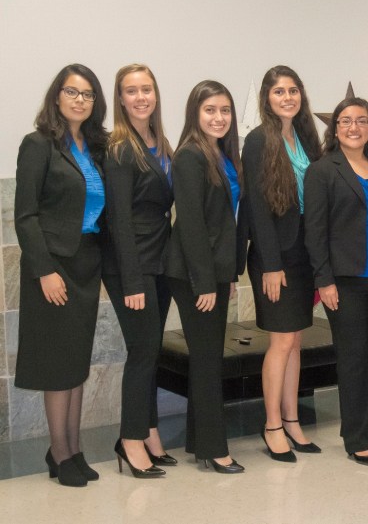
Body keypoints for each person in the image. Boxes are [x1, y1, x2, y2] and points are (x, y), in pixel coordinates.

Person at [14, 64, 108, 487]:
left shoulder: (94, 147)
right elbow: (26, 215)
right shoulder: (37, 145)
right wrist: (45, 270)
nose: (79, 100)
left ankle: (72, 448)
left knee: (76, 363)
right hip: (53, 268)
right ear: (57, 97)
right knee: (58, 364)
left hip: (87, 263)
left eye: (87, 94)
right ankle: (60, 451)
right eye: (72, 92)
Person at [304, 97, 368, 466]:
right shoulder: (322, 170)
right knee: (353, 358)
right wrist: (324, 280)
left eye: (361, 120)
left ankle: (358, 430)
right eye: (345, 121)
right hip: (343, 280)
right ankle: (357, 438)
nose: (353, 127)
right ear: (335, 128)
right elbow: (314, 231)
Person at [240, 66, 321, 462]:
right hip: (275, 257)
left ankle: (292, 420)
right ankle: (272, 423)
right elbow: (256, 206)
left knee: (296, 340)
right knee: (281, 340)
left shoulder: (306, 137)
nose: (287, 97)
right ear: (267, 99)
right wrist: (271, 264)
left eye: (293, 90)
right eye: (278, 92)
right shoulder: (258, 141)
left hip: (304, 253)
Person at [165, 80, 245, 474]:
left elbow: (224, 224)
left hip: (214, 271)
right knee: (209, 361)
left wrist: (226, 276)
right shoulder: (190, 157)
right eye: (210, 110)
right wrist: (204, 283)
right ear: (195, 113)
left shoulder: (223, 154)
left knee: (207, 357)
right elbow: (192, 225)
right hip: (194, 275)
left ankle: (200, 441)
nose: (219, 117)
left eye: (225, 110)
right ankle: (216, 449)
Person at [102, 64, 175, 478]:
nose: (141, 96)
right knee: (143, 351)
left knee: (150, 352)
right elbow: (120, 220)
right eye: (132, 91)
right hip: (132, 266)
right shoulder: (119, 147)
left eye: (147, 88)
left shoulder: (158, 141)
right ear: (121, 97)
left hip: (159, 260)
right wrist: (131, 280)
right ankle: (130, 441)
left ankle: (149, 433)